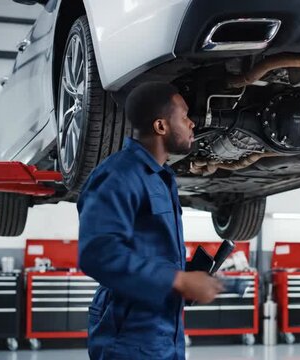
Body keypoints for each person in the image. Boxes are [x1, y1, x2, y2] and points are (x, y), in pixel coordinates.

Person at [77, 82, 223, 360]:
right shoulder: (119, 175)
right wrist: (179, 280)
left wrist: (189, 276)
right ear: (161, 126)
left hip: (163, 332)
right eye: (184, 116)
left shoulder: (161, 178)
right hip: (127, 334)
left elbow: (150, 251)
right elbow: (97, 253)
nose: (192, 123)